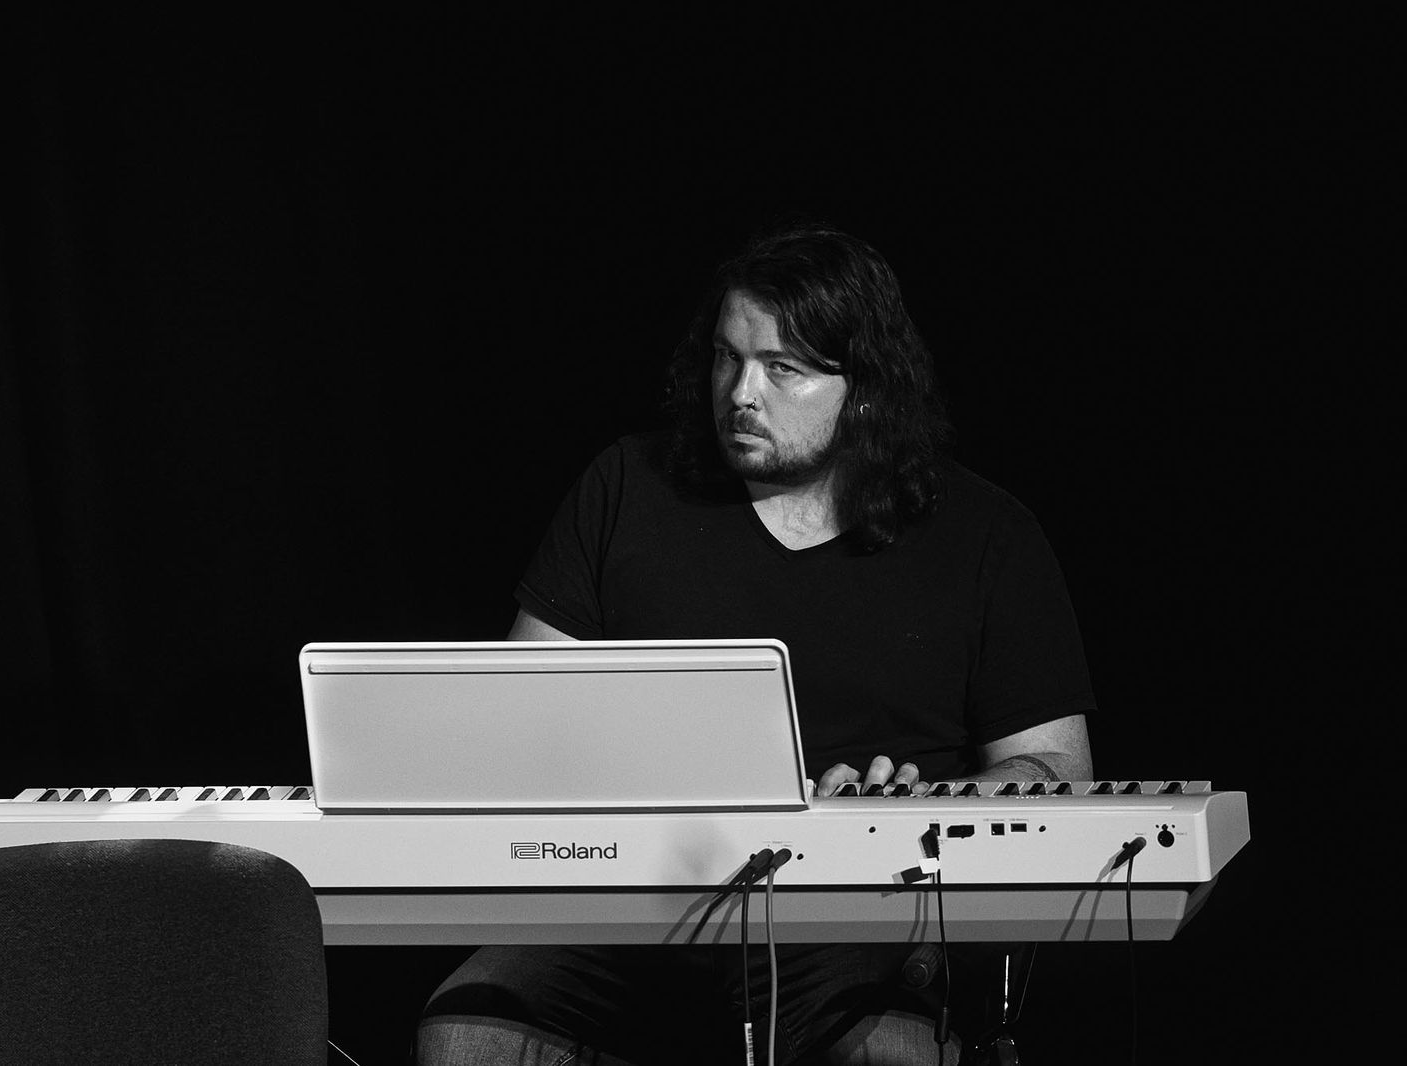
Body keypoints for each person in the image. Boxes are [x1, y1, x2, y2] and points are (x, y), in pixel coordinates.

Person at [416, 221, 1096, 1066]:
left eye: (783, 368)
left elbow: (1056, 767)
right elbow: (519, 716)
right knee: (468, 1030)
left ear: (866, 388)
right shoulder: (627, 486)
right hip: (636, 903)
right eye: (727, 358)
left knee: (887, 1051)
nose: (741, 392)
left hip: (860, 912)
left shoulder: (985, 535)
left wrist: (916, 809)